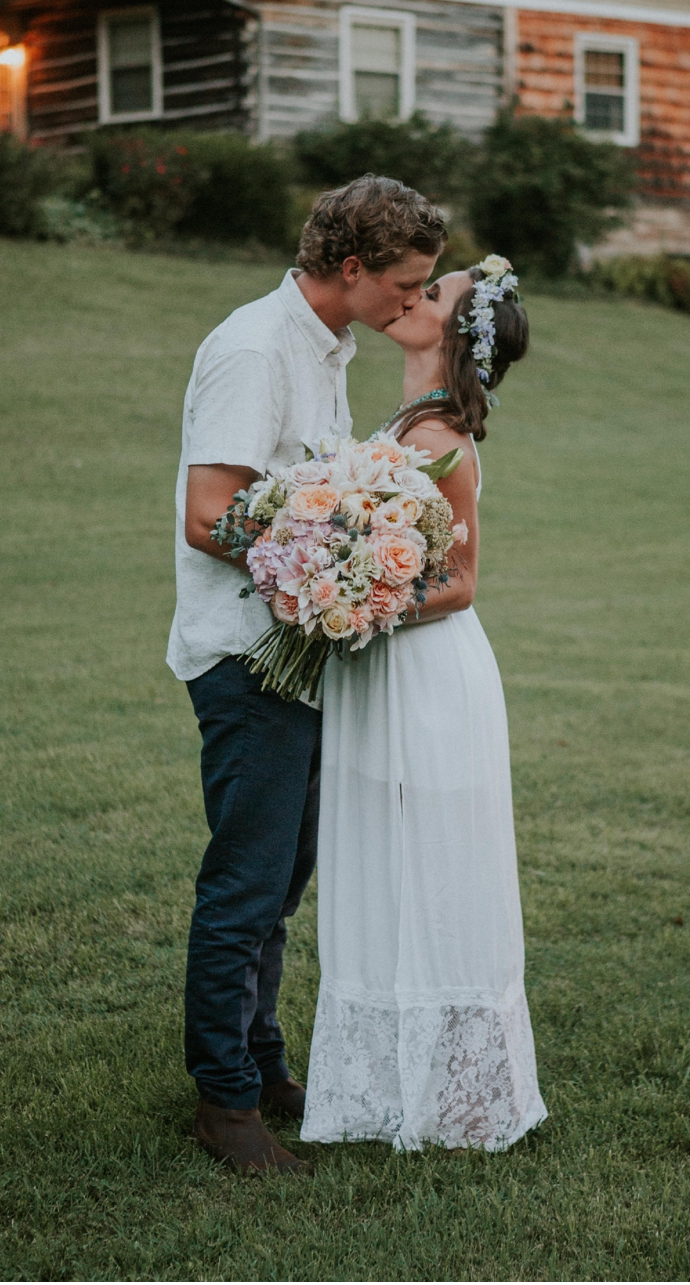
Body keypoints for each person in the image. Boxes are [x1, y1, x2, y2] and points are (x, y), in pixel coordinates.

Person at [168, 175, 444, 1176]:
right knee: (242, 886)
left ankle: (260, 1060)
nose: (412, 306)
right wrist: (331, 553)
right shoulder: (252, 348)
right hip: (246, 658)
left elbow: (306, 488)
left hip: (298, 653)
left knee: (280, 882)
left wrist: (349, 533)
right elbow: (208, 515)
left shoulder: (322, 348)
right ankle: (222, 1102)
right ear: (350, 268)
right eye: (404, 287)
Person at [301, 258, 546, 1152]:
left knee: (441, 870)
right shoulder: (402, 421)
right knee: (383, 865)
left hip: (432, 680)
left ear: (451, 336)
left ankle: (467, 1100)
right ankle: (385, 1087)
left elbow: (463, 582)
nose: (413, 294)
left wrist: (355, 596)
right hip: (379, 676)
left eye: (431, 293)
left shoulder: (441, 435)